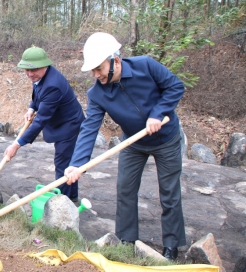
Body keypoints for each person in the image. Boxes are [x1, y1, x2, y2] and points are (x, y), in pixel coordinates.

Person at [64, 32, 185, 260]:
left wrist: (158, 113)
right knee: (125, 190)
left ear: (115, 61)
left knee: (169, 193)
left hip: (166, 138)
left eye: (99, 68)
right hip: (133, 142)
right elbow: (90, 128)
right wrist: (77, 164)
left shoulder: (146, 66)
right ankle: (127, 240)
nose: (95, 74)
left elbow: (175, 87)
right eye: (93, 70)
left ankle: (172, 246)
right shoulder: (97, 93)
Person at [3, 46, 84, 201]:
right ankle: (69, 195)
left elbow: (41, 120)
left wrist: (17, 144)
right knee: (64, 162)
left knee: (63, 163)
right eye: (26, 70)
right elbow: (37, 95)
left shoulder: (53, 85)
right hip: (60, 122)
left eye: (33, 70)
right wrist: (31, 108)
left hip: (68, 125)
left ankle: (65, 202)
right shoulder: (40, 77)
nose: (29, 74)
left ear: (45, 65)